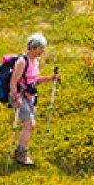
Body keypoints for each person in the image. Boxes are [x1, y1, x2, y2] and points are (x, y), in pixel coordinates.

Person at [8, 33, 57, 167]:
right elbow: (13, 82)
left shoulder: (35, 62)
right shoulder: (22, 62)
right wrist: (16, 97)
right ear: (34, 47)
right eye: (41, 48)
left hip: (29, 97)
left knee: (30, 125)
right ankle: (21, 154)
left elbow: (34, 80)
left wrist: (50, 78)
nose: (43, 51)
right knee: (30, 124)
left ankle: (21, 151)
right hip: (19, 96)